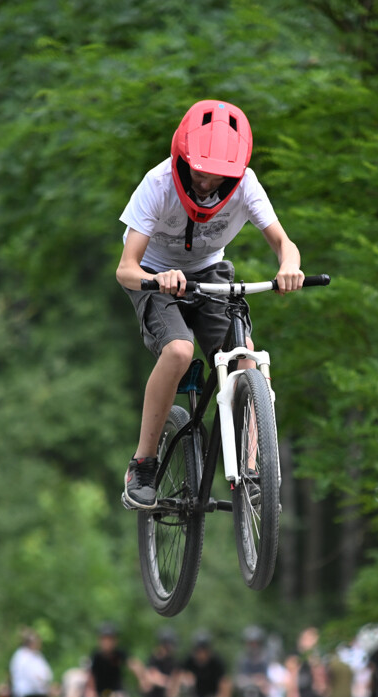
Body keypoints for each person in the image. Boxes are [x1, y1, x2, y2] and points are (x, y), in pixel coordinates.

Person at [116, 99, 305, 509]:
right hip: (154, 275)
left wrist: (289, 266)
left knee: (245, 356)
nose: (206, 182)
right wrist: (157, 278)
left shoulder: (246, 185)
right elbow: (125, 270)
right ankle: (143, 464)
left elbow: (283, 243)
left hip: (209, 273)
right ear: (183, 158)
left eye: (218, 175)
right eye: (199, 170)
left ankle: (253, 470)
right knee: (179, 350)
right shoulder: (158, 184)